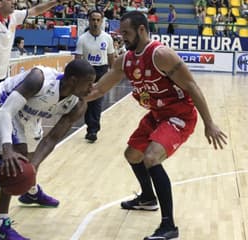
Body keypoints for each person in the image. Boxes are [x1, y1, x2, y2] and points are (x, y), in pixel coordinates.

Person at [85, 11, 227, 240]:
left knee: (151, 157)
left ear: (142, 30)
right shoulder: (125, 60)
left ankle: (169, 225)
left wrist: (209, 123)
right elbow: (99, 89)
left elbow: (192, 86)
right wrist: (73, 96)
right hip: (157, 113)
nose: (123, 38)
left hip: (179, 115)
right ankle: (147, 198)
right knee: (132, 155)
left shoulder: (161, 55)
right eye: (121, 34)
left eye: (127, 33)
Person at [0, 59, 96, 240]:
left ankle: (31, 193)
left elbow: (52, 139)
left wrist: (33, 167)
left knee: (30, 158)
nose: (92, 89)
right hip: (4, 102)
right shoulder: (39, 79)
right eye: (89, 83)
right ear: (73, 81)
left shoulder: (78, 104)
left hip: (31, 113)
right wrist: (7, 150)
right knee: (17, 159)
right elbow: (6, 111)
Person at [0, 0, 72, 179]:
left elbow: (37, 9)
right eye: (11, 2)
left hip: (1, 77)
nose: (15, 4)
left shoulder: (14, 17)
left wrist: (56, 2)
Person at [75, 9, 114, 143]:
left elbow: (111, 57)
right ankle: (90, 127)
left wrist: (113, 73)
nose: (95, 22)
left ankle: (93, 130)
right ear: (89, 21)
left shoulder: (107, 38)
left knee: (97, 101)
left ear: (102, 21)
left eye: (98, 20)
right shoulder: (82, 39)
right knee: (86, 100)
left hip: (102, 70)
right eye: (93, 19)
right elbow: (78, 58)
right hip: (87, 70)